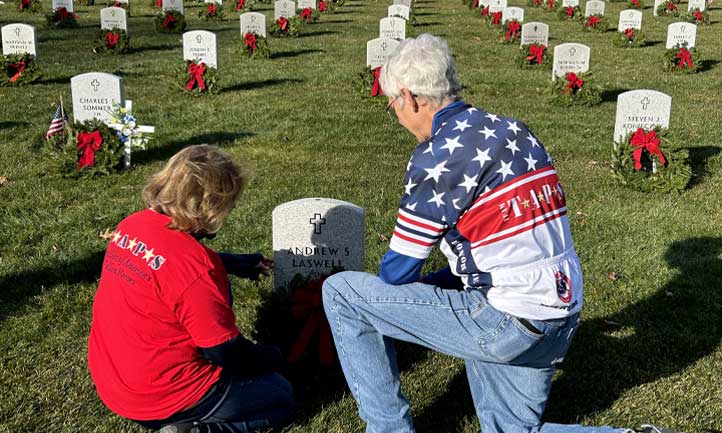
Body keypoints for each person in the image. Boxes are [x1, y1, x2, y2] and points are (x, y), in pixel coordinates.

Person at [321, 34, 683, 433]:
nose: (397, 115)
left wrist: (431, 290)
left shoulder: (436, 157)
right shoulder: (515, 131)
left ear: (410, 96)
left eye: (392, 104)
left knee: (342, 295)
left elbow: (397, 274)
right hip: (560, 313)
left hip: (508, 317)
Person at [88, 145, 293, 433]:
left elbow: (168, 267)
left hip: (115, 383)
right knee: (280, 396)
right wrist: (276, 356)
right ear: (210, 205)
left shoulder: (131, 226)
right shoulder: (198, 269)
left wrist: (241, 263)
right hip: (164, 396)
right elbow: (225, 354)